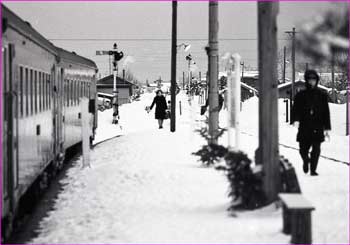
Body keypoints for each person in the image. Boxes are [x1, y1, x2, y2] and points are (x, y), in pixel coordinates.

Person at [291, 69, 331, 176]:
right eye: (309, 79)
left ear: (317, 80)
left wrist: (327, 127)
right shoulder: (300, 95)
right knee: (303, 149)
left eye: (314, 79)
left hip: (318, 126)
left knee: (316, 150)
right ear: (306, 80)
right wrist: (295, 120)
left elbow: (326, 112)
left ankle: (313, 170)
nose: (312, 81)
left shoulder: (322, 95)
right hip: (304, 126)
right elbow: (295, 109)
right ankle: (305, 160)